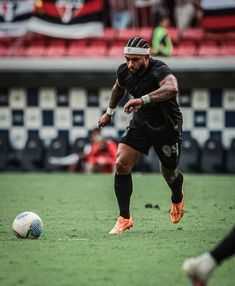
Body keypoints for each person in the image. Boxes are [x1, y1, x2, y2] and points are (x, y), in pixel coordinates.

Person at [98, 36, 184, 234]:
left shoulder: (159, 69)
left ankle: (177, 197)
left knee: (170, 173)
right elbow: (117, 88)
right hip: (142, 123)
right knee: (121, 163)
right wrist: (109, 113)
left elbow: (172, 88)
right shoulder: (124, 70)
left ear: (147, 57)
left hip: (167, 127)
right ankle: (124, 218)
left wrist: (142, 100)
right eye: (127, 59)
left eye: (135, 60)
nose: (130, 64)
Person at [48, 128, 117, 173]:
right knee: (86, 163)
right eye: (95, 135)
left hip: (109, 165)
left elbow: (116, 157)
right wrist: (98, 158)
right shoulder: (93, 144)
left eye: (98, 135)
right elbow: (90, 157)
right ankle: (89, 180)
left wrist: (106, 159)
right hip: (97, 165)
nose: (96, 137)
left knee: (116, 165)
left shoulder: (110, 143)